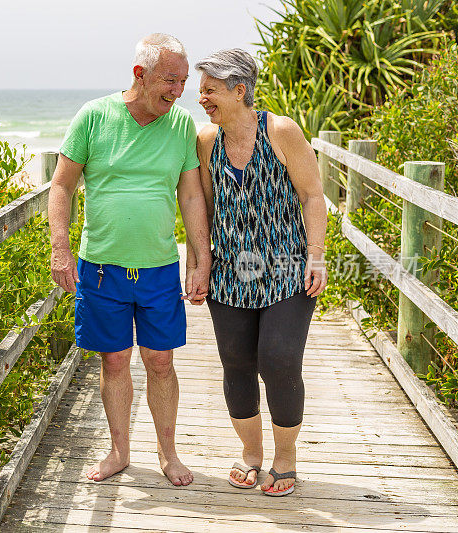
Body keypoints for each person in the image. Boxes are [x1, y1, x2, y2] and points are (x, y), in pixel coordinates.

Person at [48, 33, 212, 487]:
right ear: (139, 74)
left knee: (161, 360)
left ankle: (168, 452)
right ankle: (119, 451)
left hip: (159, 266)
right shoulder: (93, 116)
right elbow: (61, 186)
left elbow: (192, 195)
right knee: (114, 360)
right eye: (169, 80)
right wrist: (59, 249)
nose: (178, 91)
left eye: (182, 81)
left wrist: (201, 259)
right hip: (100, 266)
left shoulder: (180, 126)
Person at [193, 48, 328, 496]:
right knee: (236, 363)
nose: (202, 98)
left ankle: (285, 460)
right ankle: (251, 455)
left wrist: (316, 255)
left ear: (240, 90)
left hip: (288, 268)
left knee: (280, 358)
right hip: (230, 274)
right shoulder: (207, 141)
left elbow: (312, 195)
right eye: (201, 90)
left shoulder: (281, 132)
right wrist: (201, 263)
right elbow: (207, 207)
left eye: (210, 90)